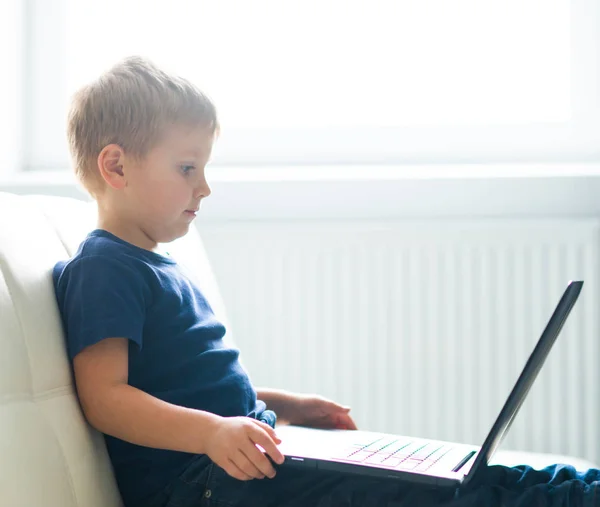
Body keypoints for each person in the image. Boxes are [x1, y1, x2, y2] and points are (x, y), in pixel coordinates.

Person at [53, 56, 600, 507]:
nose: (205, 188)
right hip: (203, 486)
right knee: (440, 497)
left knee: (463, 477)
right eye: (188, 169)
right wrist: (211, 434)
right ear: (117, 167)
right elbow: (106, 398)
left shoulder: (156, 265)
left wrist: (283, 404)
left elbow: (187, 386)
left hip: (237, 466)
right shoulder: (105, 268)